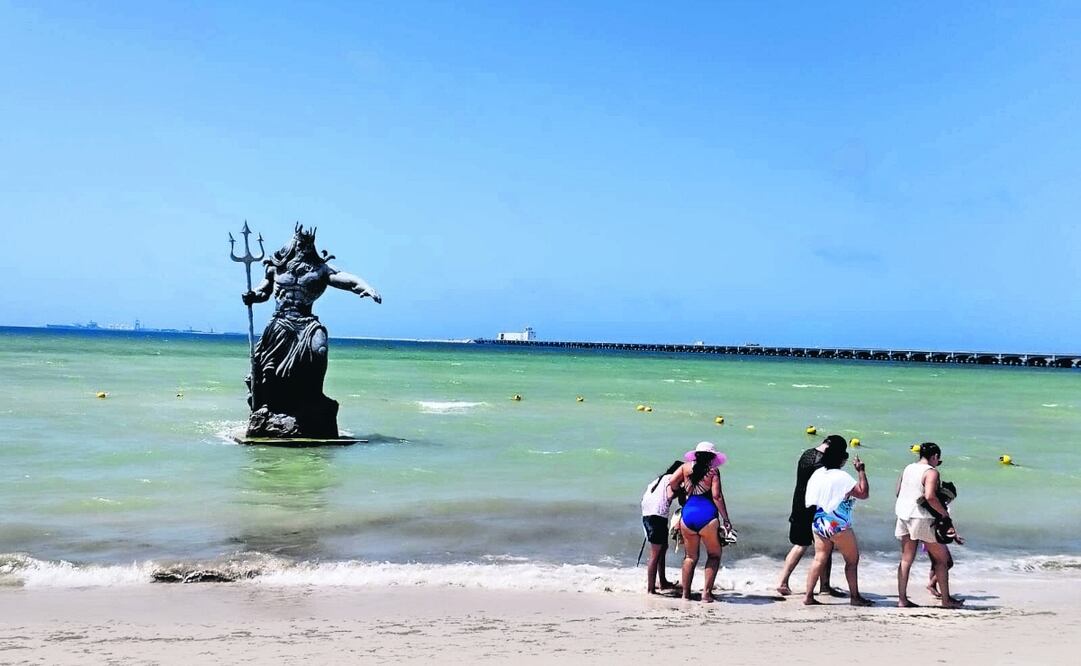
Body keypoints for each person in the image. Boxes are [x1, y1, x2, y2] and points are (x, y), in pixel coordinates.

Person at [241, 224, 381, 437]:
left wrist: (366, 287)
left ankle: (315, 396)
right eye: (300, 242)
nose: (304, 247)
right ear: (293, 243)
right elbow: (263, 292)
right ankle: (268, 405)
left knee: (320, 350)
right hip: (280, 322)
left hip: (306, 323)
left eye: (308, 243)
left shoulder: (320, 270)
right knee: (268, 369)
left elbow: (347, 280)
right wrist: (252, 295)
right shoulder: (276, 267)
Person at [776, 434, 848, 598]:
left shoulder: (807, 454)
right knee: (825, 546)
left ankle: (782, 581)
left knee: (800, 544)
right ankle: (824, 586)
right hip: (815, 507)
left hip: (799, 503)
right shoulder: (824, 463)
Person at [895, 442, 963, 608]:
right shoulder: (931, 472)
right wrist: (944, 513)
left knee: (906, 559)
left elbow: (898, 492)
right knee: (942, 560)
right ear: (935, 457)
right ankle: (946, 600)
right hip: (922, 518)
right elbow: (930, 497)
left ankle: (902, 599)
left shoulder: (908, 468)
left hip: (903, 515)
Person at [802, 446, 872, 606]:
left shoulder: (817, 474)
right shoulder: (842, 476)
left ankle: (808, 596)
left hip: (819, 521)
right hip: (838, 524)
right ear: (841, 460)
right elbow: (863, 493)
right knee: (852, 561)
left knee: (819, 558)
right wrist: (861, 471)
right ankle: (855, 597)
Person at [668, 441, 732, 603]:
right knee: (714, 555)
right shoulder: (713, 472)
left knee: (690, 557)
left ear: (695, 455)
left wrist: (682, 490)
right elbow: (717, 496)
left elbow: (672, 483)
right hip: (707, 516)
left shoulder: (684, 468)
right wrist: (726, 519)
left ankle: (685, 595)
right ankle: (706, 594)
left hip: (688, 515)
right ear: (712, 457)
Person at [640, 460, 684, 594]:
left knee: (662, 548)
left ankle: (663, 582)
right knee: (655, 554)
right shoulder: (671, 479)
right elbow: (673, 495)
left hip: (648, 515)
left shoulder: (658, 480)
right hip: (657, 516)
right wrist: (683, 490)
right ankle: (651, 589)